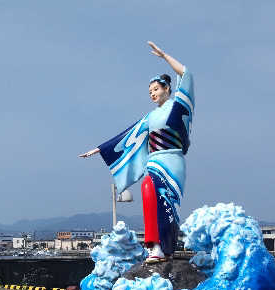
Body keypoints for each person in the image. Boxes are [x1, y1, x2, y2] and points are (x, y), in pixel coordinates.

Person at [79, 41, 194, 263]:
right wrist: (97, 150)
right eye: (150, 91)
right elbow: (126, 137)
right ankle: (154, 246)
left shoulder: (178, 105)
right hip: (154, 161)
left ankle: (166, 247)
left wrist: (164, 56)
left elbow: (186, 74)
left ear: (167, 89)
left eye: (156, 89)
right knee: (147, 189)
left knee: (165, 200)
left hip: (172, 160)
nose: (152, 94)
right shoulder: (150, 117)